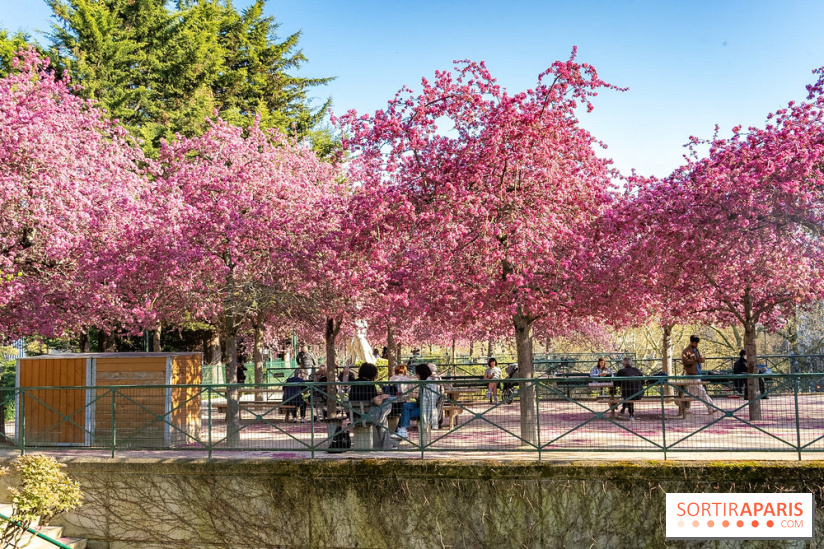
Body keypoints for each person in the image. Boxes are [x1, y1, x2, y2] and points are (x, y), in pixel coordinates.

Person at [348, 363, 394, 449]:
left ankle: (387, 443)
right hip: (367, 416)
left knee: (383, 421)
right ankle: (386, 445)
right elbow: (378, 403)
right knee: (388, 403)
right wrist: (382, 396)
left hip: (354, 416)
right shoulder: (369, 384)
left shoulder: (354, 383)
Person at [393, 363, 441, 440]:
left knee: (405, 414)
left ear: (421, 373)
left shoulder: (430, 383)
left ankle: (402, 431)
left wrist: (416, 396)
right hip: (420, 404)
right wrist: (416, 396)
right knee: (405, 405)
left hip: (426, 408)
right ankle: (402, 430)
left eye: (417, 374)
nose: (416, 376)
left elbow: (430, 400)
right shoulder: (424, 382)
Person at [680, 335, 717, 415]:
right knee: (701, 392)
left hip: (697, 373)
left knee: (691, 393)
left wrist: (701, 360)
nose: (696, 344)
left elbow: (697, 360)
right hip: (692, 374)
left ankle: (686, 408)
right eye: (695, 343)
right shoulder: (686, 351)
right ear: (691, 342)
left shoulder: (696, 350)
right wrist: (695, 360)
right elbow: (685, 361)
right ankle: (711, 407)